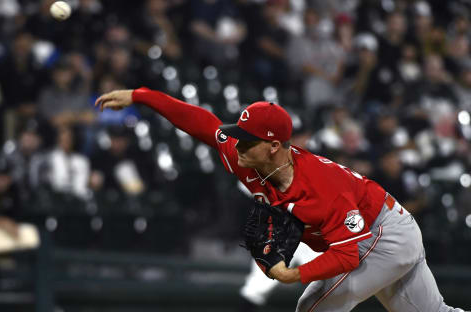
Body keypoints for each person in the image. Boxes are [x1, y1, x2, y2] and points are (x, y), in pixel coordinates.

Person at [95, 87, 466, 312]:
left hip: (381, 237)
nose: (235, 143)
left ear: (273, 146)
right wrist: (142, 96)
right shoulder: (243, 156)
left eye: (247, 139)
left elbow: (348, 255)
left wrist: (294, 274)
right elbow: (202, 123)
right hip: (379, 229)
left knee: (313, 306)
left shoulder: (320, 186)